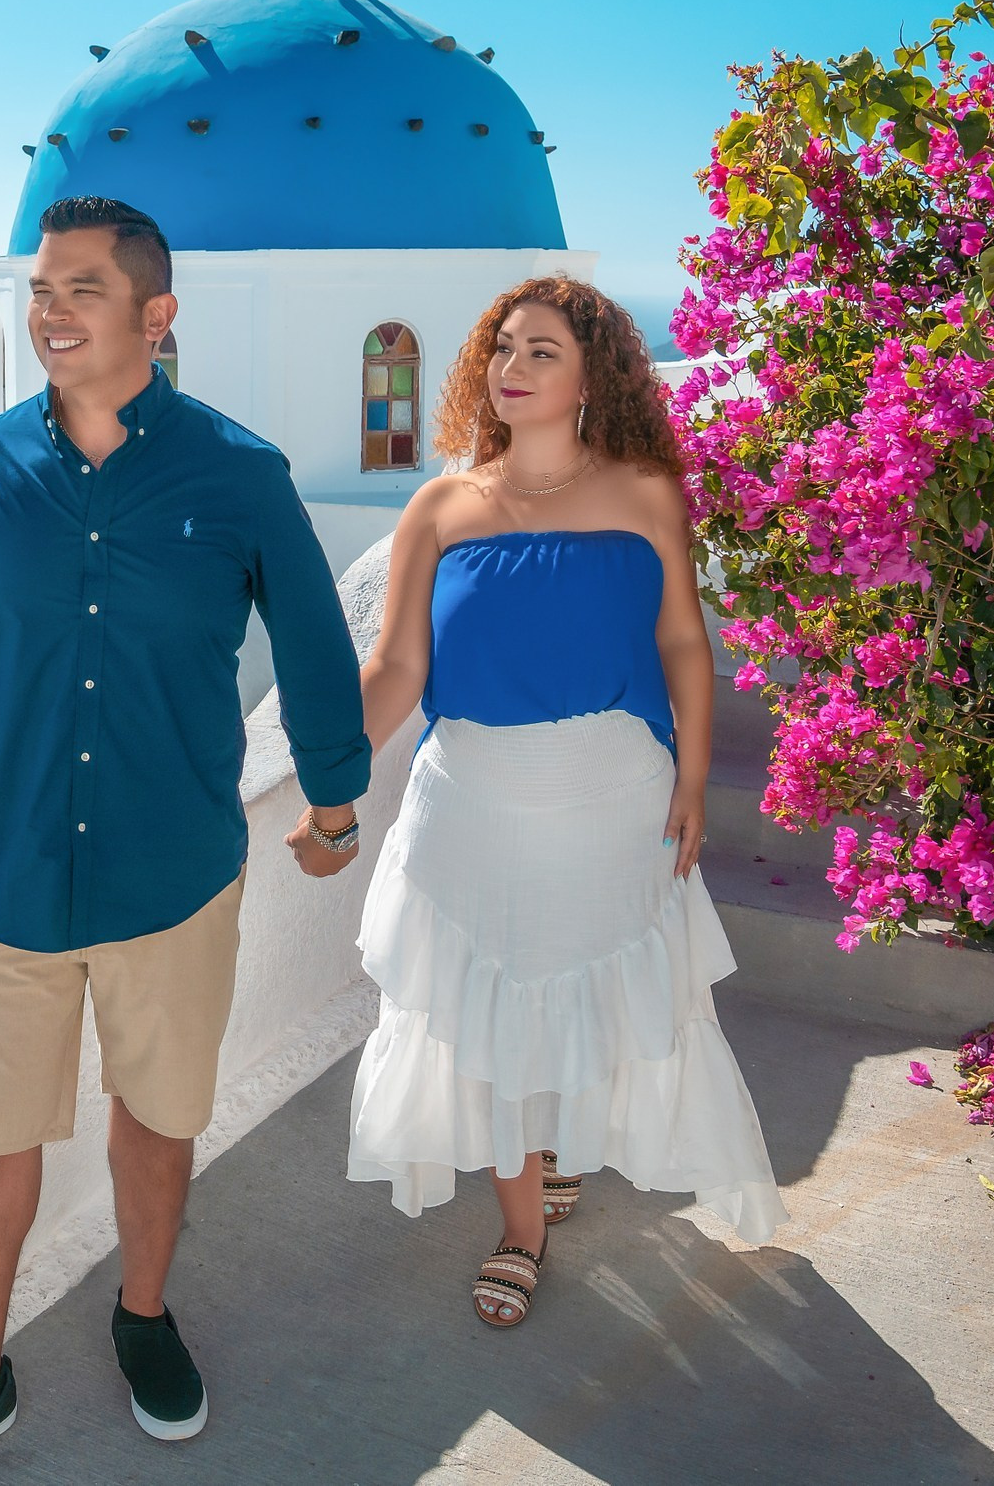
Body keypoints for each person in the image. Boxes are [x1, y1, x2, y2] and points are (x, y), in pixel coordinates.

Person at [0, 196, 371, 1484]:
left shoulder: (237, 474)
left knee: (157, 1116)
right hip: (10, 874)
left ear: (155, 312)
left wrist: (335, 795)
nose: (48, 313)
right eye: (38, 290)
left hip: (171, 875)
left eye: (79, 288)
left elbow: (310, 642)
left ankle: (143, 1318)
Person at [344, 276, 786, 1328]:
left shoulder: (642, 494)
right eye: (502, 347)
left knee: (590, 989)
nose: (512, 367)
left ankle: (557, 1151)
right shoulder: (440, 507)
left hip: (611, 801)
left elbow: (683, 639)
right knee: (486, 1009)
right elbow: (398, 666)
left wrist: (690, 777)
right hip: (472, 806)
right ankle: (519, 1223)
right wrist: (330, 771)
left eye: (542, 350)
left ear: (593, 376)